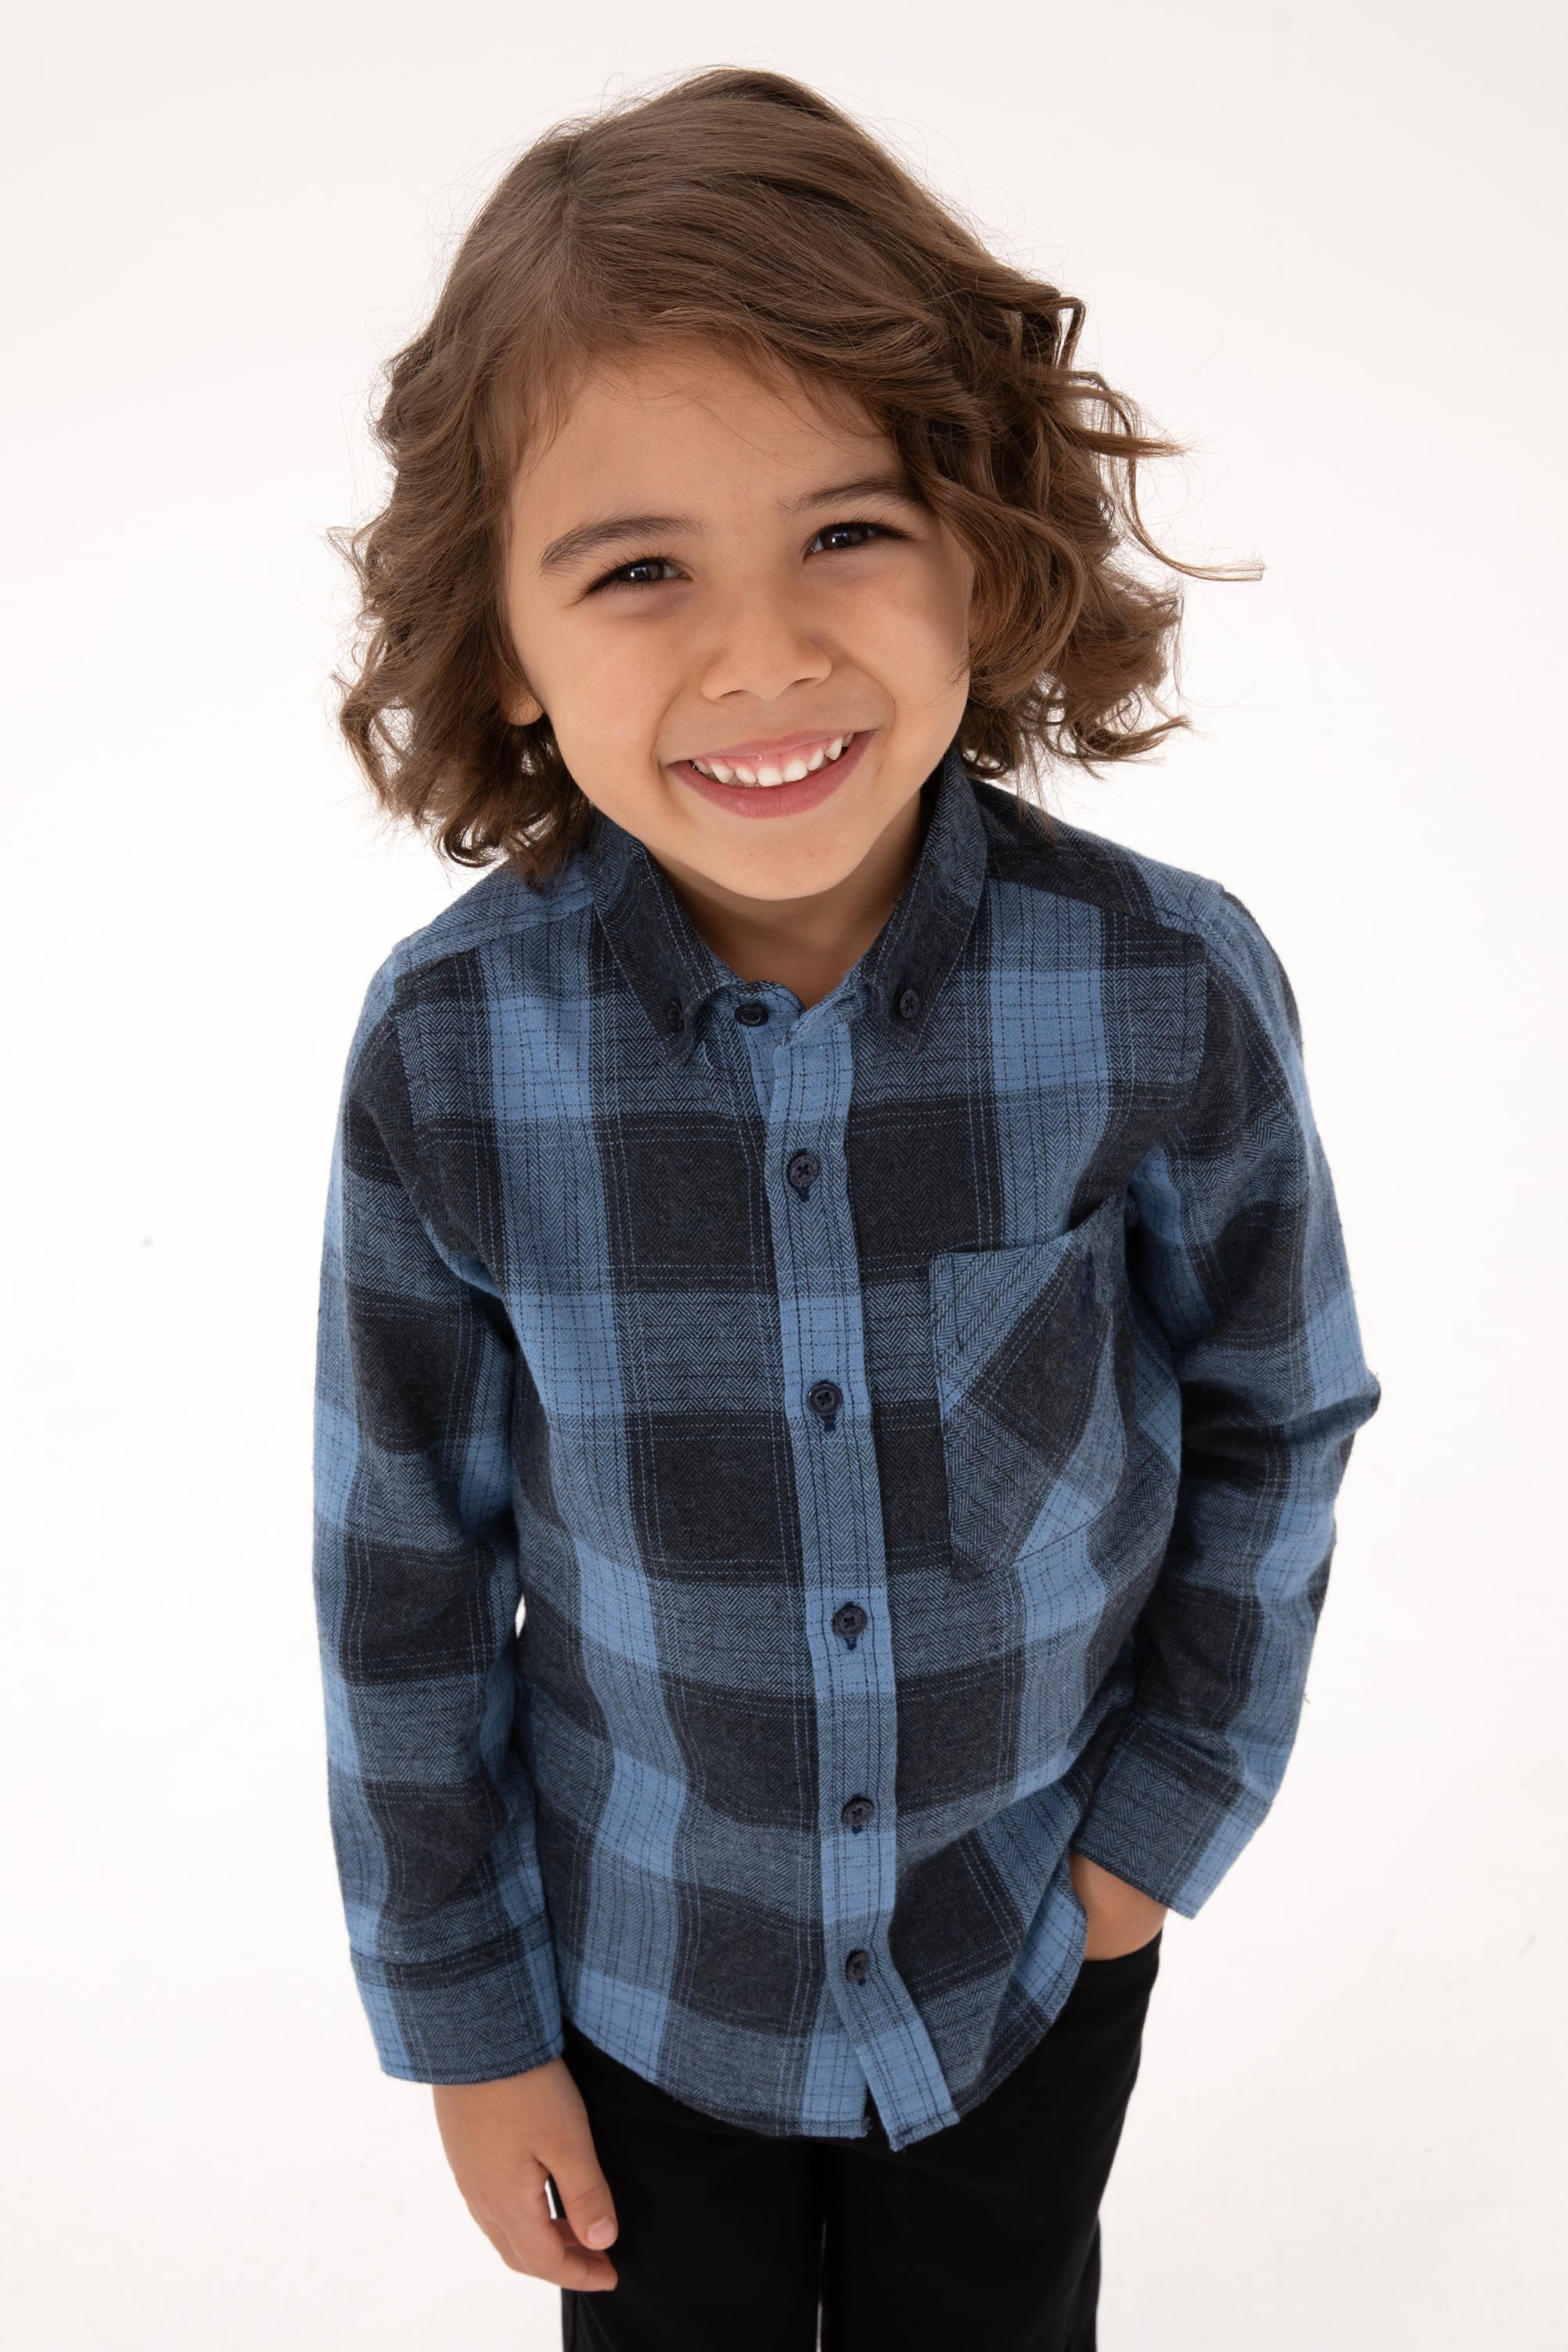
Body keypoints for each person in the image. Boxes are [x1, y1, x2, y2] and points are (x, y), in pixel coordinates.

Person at [314, 67, 1379, 2351]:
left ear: (982, 548)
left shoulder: (1159, 989)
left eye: (848, 531)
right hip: (638, 1979)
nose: (763, 655)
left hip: (1026, 1950)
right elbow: (403, 1573)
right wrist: (470, 2025)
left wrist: (1147, 1841)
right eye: (637, 571)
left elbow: (1276, 1413)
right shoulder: (449, 1053)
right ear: (502, 643)